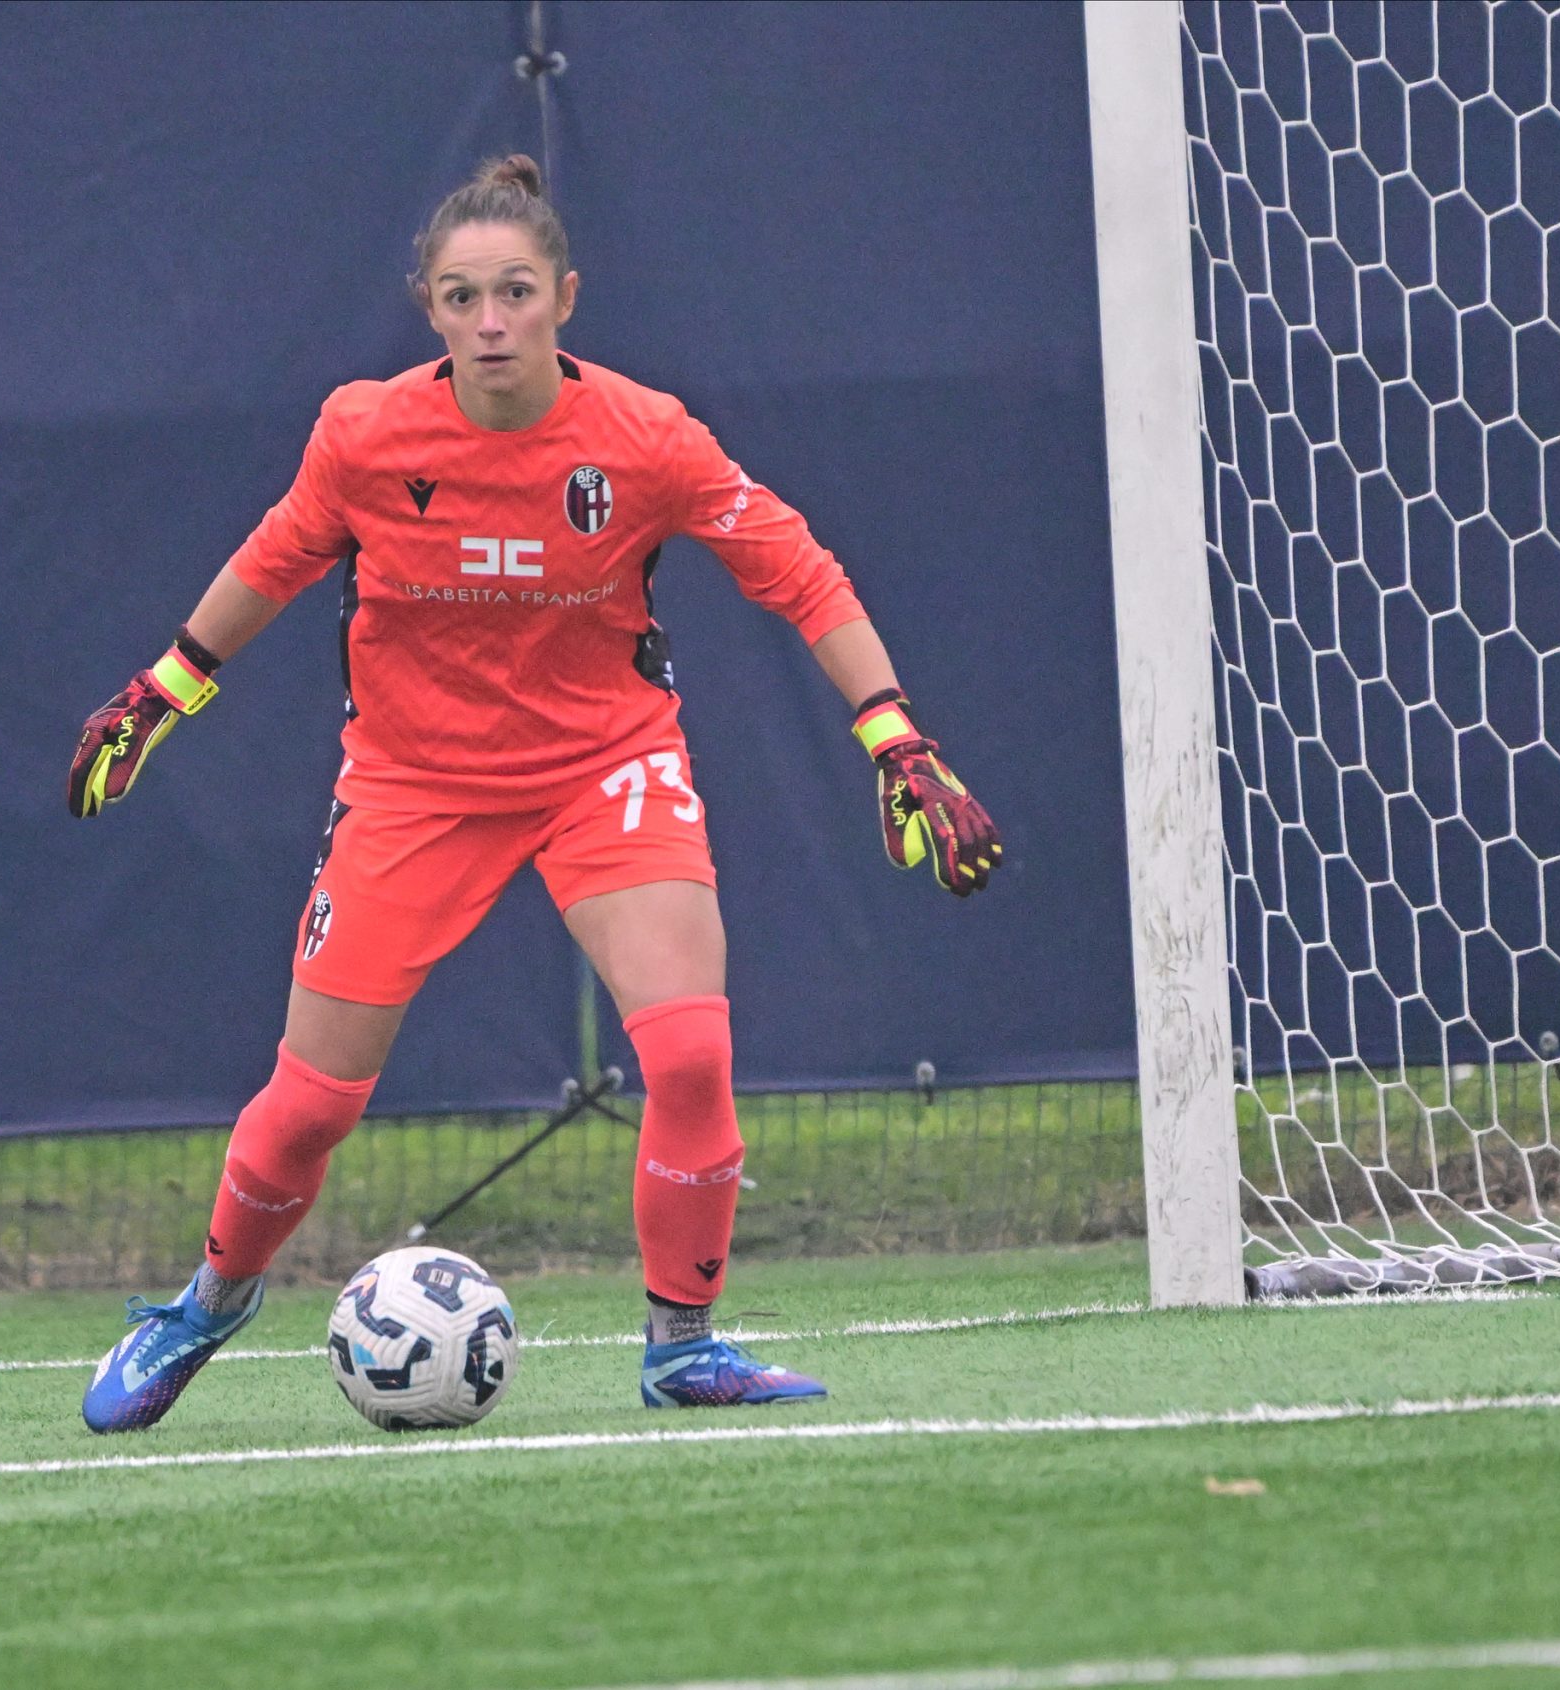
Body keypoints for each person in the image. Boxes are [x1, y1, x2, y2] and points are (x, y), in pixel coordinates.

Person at [70, 155, 1000, 1434]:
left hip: (602, 767)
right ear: (430, 308)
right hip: (412, 786)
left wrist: (892, 735)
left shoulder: (645, 437)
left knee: (689, 1050)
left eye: (515, 291)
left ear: (566, 296)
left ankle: (683, 1346)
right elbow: (278, 551)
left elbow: (799, 569)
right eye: (462, 297)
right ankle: (203, 1307)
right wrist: (165, 684)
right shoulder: (366, 433)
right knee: (309, 1107)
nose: (490, 320)